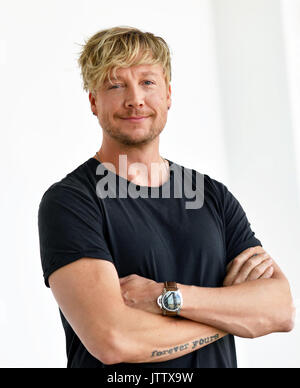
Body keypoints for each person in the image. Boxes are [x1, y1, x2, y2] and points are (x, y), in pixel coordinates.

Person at [37, 26, 295, 368]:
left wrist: (164, 297)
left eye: (147, 82)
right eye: (116, 85)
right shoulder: (71, 202)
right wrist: (232, 315)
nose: (135, 99)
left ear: (169, 94)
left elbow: (280, 309)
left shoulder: (212, 197)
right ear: (94, 102)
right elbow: (114, 340)